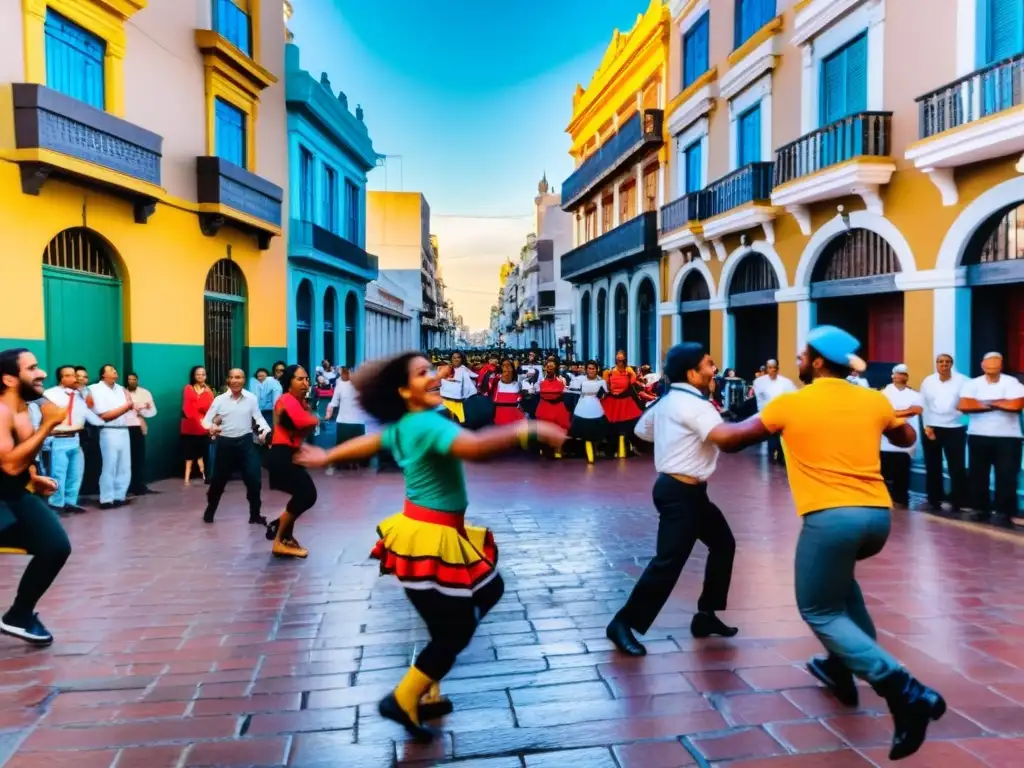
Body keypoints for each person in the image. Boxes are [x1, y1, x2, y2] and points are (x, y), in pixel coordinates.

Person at [295, 353, 565, 742]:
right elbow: (474, 448)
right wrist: (530, 429)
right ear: (405, 391)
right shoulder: (425, 424)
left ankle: (429, 683)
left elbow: (372, 441)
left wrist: (327, 455)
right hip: (430, 540)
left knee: (487, 591)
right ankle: (405, 697)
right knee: (455, 632)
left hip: (432, 533)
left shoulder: (407, 424)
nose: (437, 376)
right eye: (424, 373)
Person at [707, 326, 945, 761]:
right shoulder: (872, 398)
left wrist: (692, 414)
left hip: (831, 518)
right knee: (842, 594)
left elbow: (732, 440)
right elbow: (906, 438)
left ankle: (905, 690)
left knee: (818, 608)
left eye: (802, 355)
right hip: (877, 518)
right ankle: (839, 667)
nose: (797, 360)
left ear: (817, 362)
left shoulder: (792, 403)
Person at [606, 343, 739, 658]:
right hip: (680, 494)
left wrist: (671, 443)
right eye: (709, 364)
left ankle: (706, 615)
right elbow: (729, 441)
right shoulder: (695, 406)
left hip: (687, 492)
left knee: (723, 544)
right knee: (668, 562)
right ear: (693, 373)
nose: (714, 369)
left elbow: (641, 431)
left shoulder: (670, 401)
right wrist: (766, 424)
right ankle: (623, 623)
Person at [0, 349, 72, 646]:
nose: (41, 373)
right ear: (10, 378)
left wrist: (33, 477)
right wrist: (48, 425)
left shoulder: (22, 410)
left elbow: (21, 458)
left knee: (56, 547)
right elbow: (9, 463)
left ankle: (18, 615)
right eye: (32, 368)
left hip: (13, 494)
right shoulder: (1, 412)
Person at [958, 351, 1024, 528]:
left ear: (1001, 365)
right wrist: (999, 403)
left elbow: (1015, 405)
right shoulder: (972, 384)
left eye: (996, 362)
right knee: (978, 475)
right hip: (978, 435)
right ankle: (979, 509)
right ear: (982, 365)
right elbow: (964, 405)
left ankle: (1004, 513)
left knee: (1006, 476)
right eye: (989, 362)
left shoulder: (1013, 383)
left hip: (1008, 438)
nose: (992, 365)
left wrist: (982, 403)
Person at [201, 369, 271, 525]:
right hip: (225, 444)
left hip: (246, 443)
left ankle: (255, 515)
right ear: (228, 380)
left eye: (238, 377)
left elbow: (258, 418)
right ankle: (210, 510)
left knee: (254, 479)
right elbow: (206, 421)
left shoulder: (251, 398)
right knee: (218, 482)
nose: (235, 380)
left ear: (244, 379)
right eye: (232, 378)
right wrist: (212, 426)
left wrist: (266, 431)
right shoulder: (219, 400)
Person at [265, 365, 320, 558]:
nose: (305, 383)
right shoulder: (286, 400)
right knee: (306, 494)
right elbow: (301, 422)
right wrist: (314, 420)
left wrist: (310, 417)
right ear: (289, 382)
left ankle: (283, 535)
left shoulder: (299, 403)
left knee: (304, 496)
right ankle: (280, 537)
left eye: (306, 379)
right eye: (300, 379)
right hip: (282, 456)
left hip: (291, 455)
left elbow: (303, 425)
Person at [42, 365, 104, 514]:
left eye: (75, 375)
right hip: (58, 439)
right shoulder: (50, 395)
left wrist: (104, 419)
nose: (75, 378)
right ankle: (56, 504)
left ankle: (71, 502)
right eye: (69, 375)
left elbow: (92, 416)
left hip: (75, 439)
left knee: (75, 473)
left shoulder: (79, 396)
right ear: (61, 378)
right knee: (58, 474)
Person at [89, 365, 142, 509]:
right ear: (103, 375)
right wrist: (127, 406)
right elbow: (104, 414)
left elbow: (130, 407)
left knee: (124, 465)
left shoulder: (121, 389)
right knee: (109, 465)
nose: (115, 371)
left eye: (115, 369)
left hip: (124, 429)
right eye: (111, 370)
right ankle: (106, 498)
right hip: (108, 430)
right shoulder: (95, 389)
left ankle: (120, 496)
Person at [919, 354, 968, 513]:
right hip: (932, 427)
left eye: (947, 362)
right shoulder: (928, 381)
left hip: (955, 428)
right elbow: (924, 404)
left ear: (951, 364)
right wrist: (927, 426)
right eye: (940, 362)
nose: (944, 365)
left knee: (957, 466)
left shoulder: (963, 380)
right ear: (936, 364)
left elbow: (966, 402)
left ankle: (958, 501)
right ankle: (934, 499)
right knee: (933, 465)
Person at [880, 365, 923, 507]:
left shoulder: (914, 395)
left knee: (902, 473)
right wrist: (904, 412)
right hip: (885, 440)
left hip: (905, 440)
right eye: (898, 374)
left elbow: (916, 410)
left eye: (904, 374)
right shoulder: (882, 394)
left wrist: (893, 414)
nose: (901, 377)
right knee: (884, 473)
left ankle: (900, 500)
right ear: (893, 376)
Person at [752, 359, 796, 464]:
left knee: (781, 440)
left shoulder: (786, 382)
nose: (772, 370)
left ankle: (780, 457)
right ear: (767, 369)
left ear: (777, 369)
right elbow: (760, 399)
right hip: (767, 415)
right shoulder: (759, 382)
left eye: (774, 368)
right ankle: (772, 457)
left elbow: (793, 397)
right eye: (770, 368)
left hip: (782, 416)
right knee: (772, 439)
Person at [325, 367, 366, 473]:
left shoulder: (362, 386)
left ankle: (354, 464)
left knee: (357, 447)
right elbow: (334, 402)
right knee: (341, 446)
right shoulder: (340, 386)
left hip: (358, 422)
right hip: (344, 421)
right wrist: (328, 413)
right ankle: (334, 465)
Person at [568, 361, 608, 464]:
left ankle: (595, 450)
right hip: (582, 407)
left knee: (596, 432)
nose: (591, 370)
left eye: (593, 368)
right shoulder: (579, 380)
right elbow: (572, 391)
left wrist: (601, 395)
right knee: (586, 434)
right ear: (586, 369)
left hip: (596, 408)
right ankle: (590, 456)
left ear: (597, 369)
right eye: (589, 368)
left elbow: (605, 394)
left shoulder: (601, 380)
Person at [124, 372, 157, 496]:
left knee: (138, 457)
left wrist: (144, 409)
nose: (132, 381)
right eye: (129, 379)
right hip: (124, 428)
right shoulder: (121, 393)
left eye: (134, 379)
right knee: (126, 458)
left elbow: (153, 411)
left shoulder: (145, 393)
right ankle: (126, 486)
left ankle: (139, 485)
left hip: (138, 427)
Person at [181, 366, 214, 484]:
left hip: (203, 428)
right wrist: (199, 415)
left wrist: (203, 419)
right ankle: (186, 478)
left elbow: (209, 408)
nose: (201, 376)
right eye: (198, 374)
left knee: (204, 453)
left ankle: (207, 476)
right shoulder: (188, 388)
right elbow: (187, 408)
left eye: (203, 374)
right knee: (189, 453)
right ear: (193, 376)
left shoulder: (209, 391)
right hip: (189, 427)